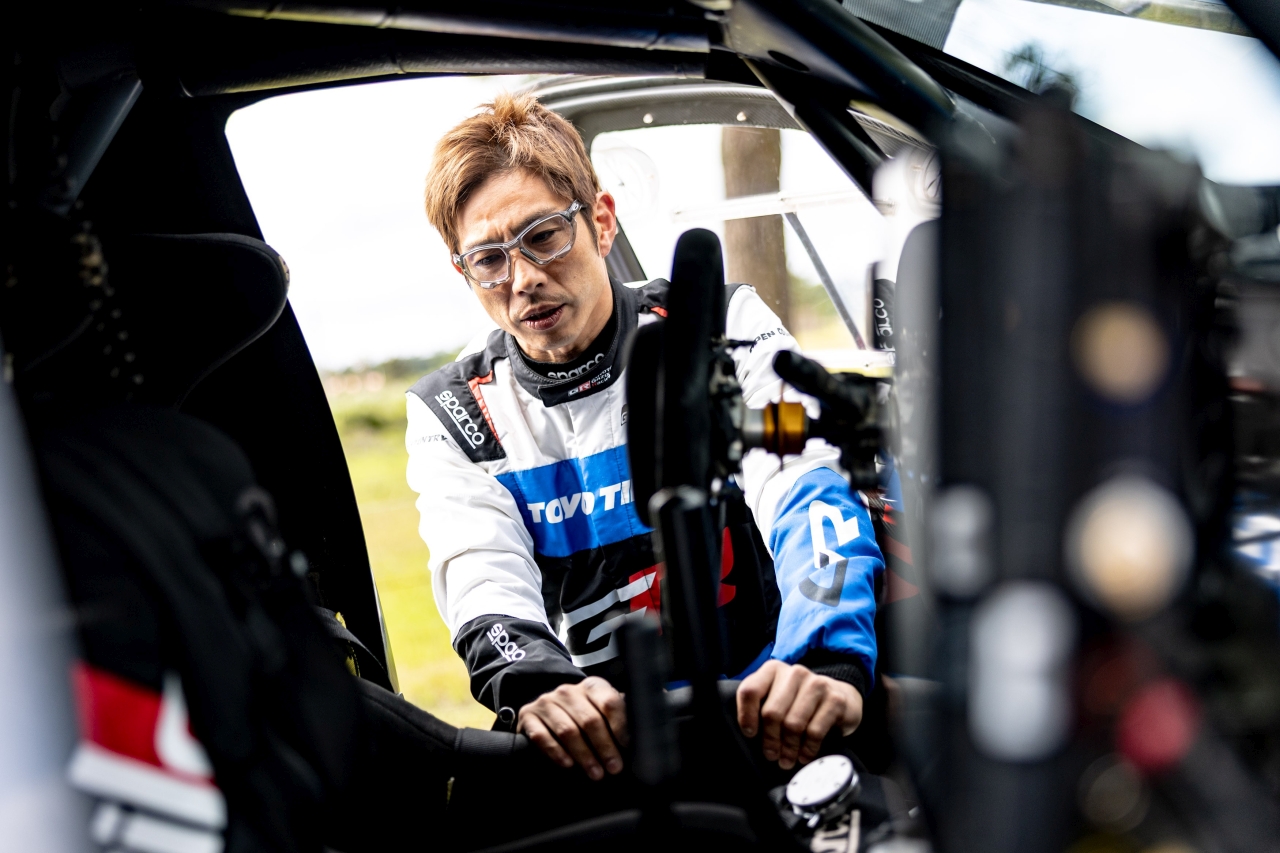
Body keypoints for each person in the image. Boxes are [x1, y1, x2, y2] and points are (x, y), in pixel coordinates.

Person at [407, 92, 883, 783]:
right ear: (465, 272)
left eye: (544, 235)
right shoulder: (453, 411)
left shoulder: (723, 324)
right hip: (608, 750)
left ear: (601, 221)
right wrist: (539, 686)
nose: (524, 279)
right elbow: (482, 578)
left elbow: (806, 485)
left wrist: (825, 658)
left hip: (768, 706)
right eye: (489, 259)